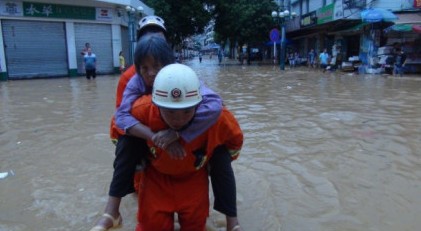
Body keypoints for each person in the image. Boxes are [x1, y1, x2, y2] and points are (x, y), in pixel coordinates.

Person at [91, 16, 242, 231]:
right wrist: (154, 137)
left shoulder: (183, 77)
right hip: (149, 142)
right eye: (145, 67)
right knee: (127, 142)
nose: (151, 72)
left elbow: (216, 106)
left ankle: (232, 222)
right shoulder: (132, 81)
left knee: (219, 155)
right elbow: (121, 119)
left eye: (157, 63)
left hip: (189, 156)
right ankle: (112, 210)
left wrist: (181, 134)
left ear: (168, 57)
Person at [131, 63, 243, 231]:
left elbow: (234, 145)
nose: (178, 119)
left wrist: (210, 159)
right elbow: (120, 132)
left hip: (194, 180)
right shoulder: (142, 112)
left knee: (195, 226)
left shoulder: (218, 119)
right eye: (170, 112)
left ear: (199, 106)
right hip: (156, 181)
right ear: (157, 106)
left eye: (186, 111)